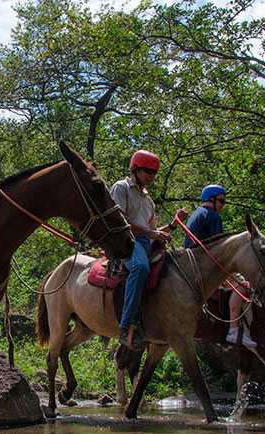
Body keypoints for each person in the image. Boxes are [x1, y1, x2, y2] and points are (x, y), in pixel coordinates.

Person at [110, 149, 183, 349]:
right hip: (126, 241)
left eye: (153, 173)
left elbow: (152, 230)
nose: (151, 176)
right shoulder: (121, 187)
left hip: (143, 241)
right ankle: (126, 327)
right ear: (135, 169)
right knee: (140, 267)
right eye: (147, 172)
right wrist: (151, 234)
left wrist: (174, 224)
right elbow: (119, 220)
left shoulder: (148, 199)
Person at [184, 184, 256, 349]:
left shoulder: (196, 214)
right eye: (222, 201)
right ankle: (233, 329)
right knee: (243, 286)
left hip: (192, 263)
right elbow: (220, 249)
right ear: (212, 199)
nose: (223, 205)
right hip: (206, 267)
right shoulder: (213, 216)